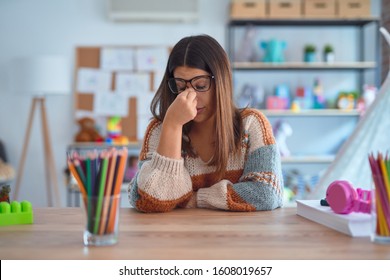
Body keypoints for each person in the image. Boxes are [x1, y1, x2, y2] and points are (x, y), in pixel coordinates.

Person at [128, 34, 283, 212]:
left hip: (240, 237)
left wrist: (194, 199)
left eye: (200, 86)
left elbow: (267, 193)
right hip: (178, 237)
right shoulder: (160, 130)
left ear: (221, 82)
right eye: (180, 87)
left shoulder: (251, 124)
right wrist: (172, 126)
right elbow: (146, 199)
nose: (189, 97)